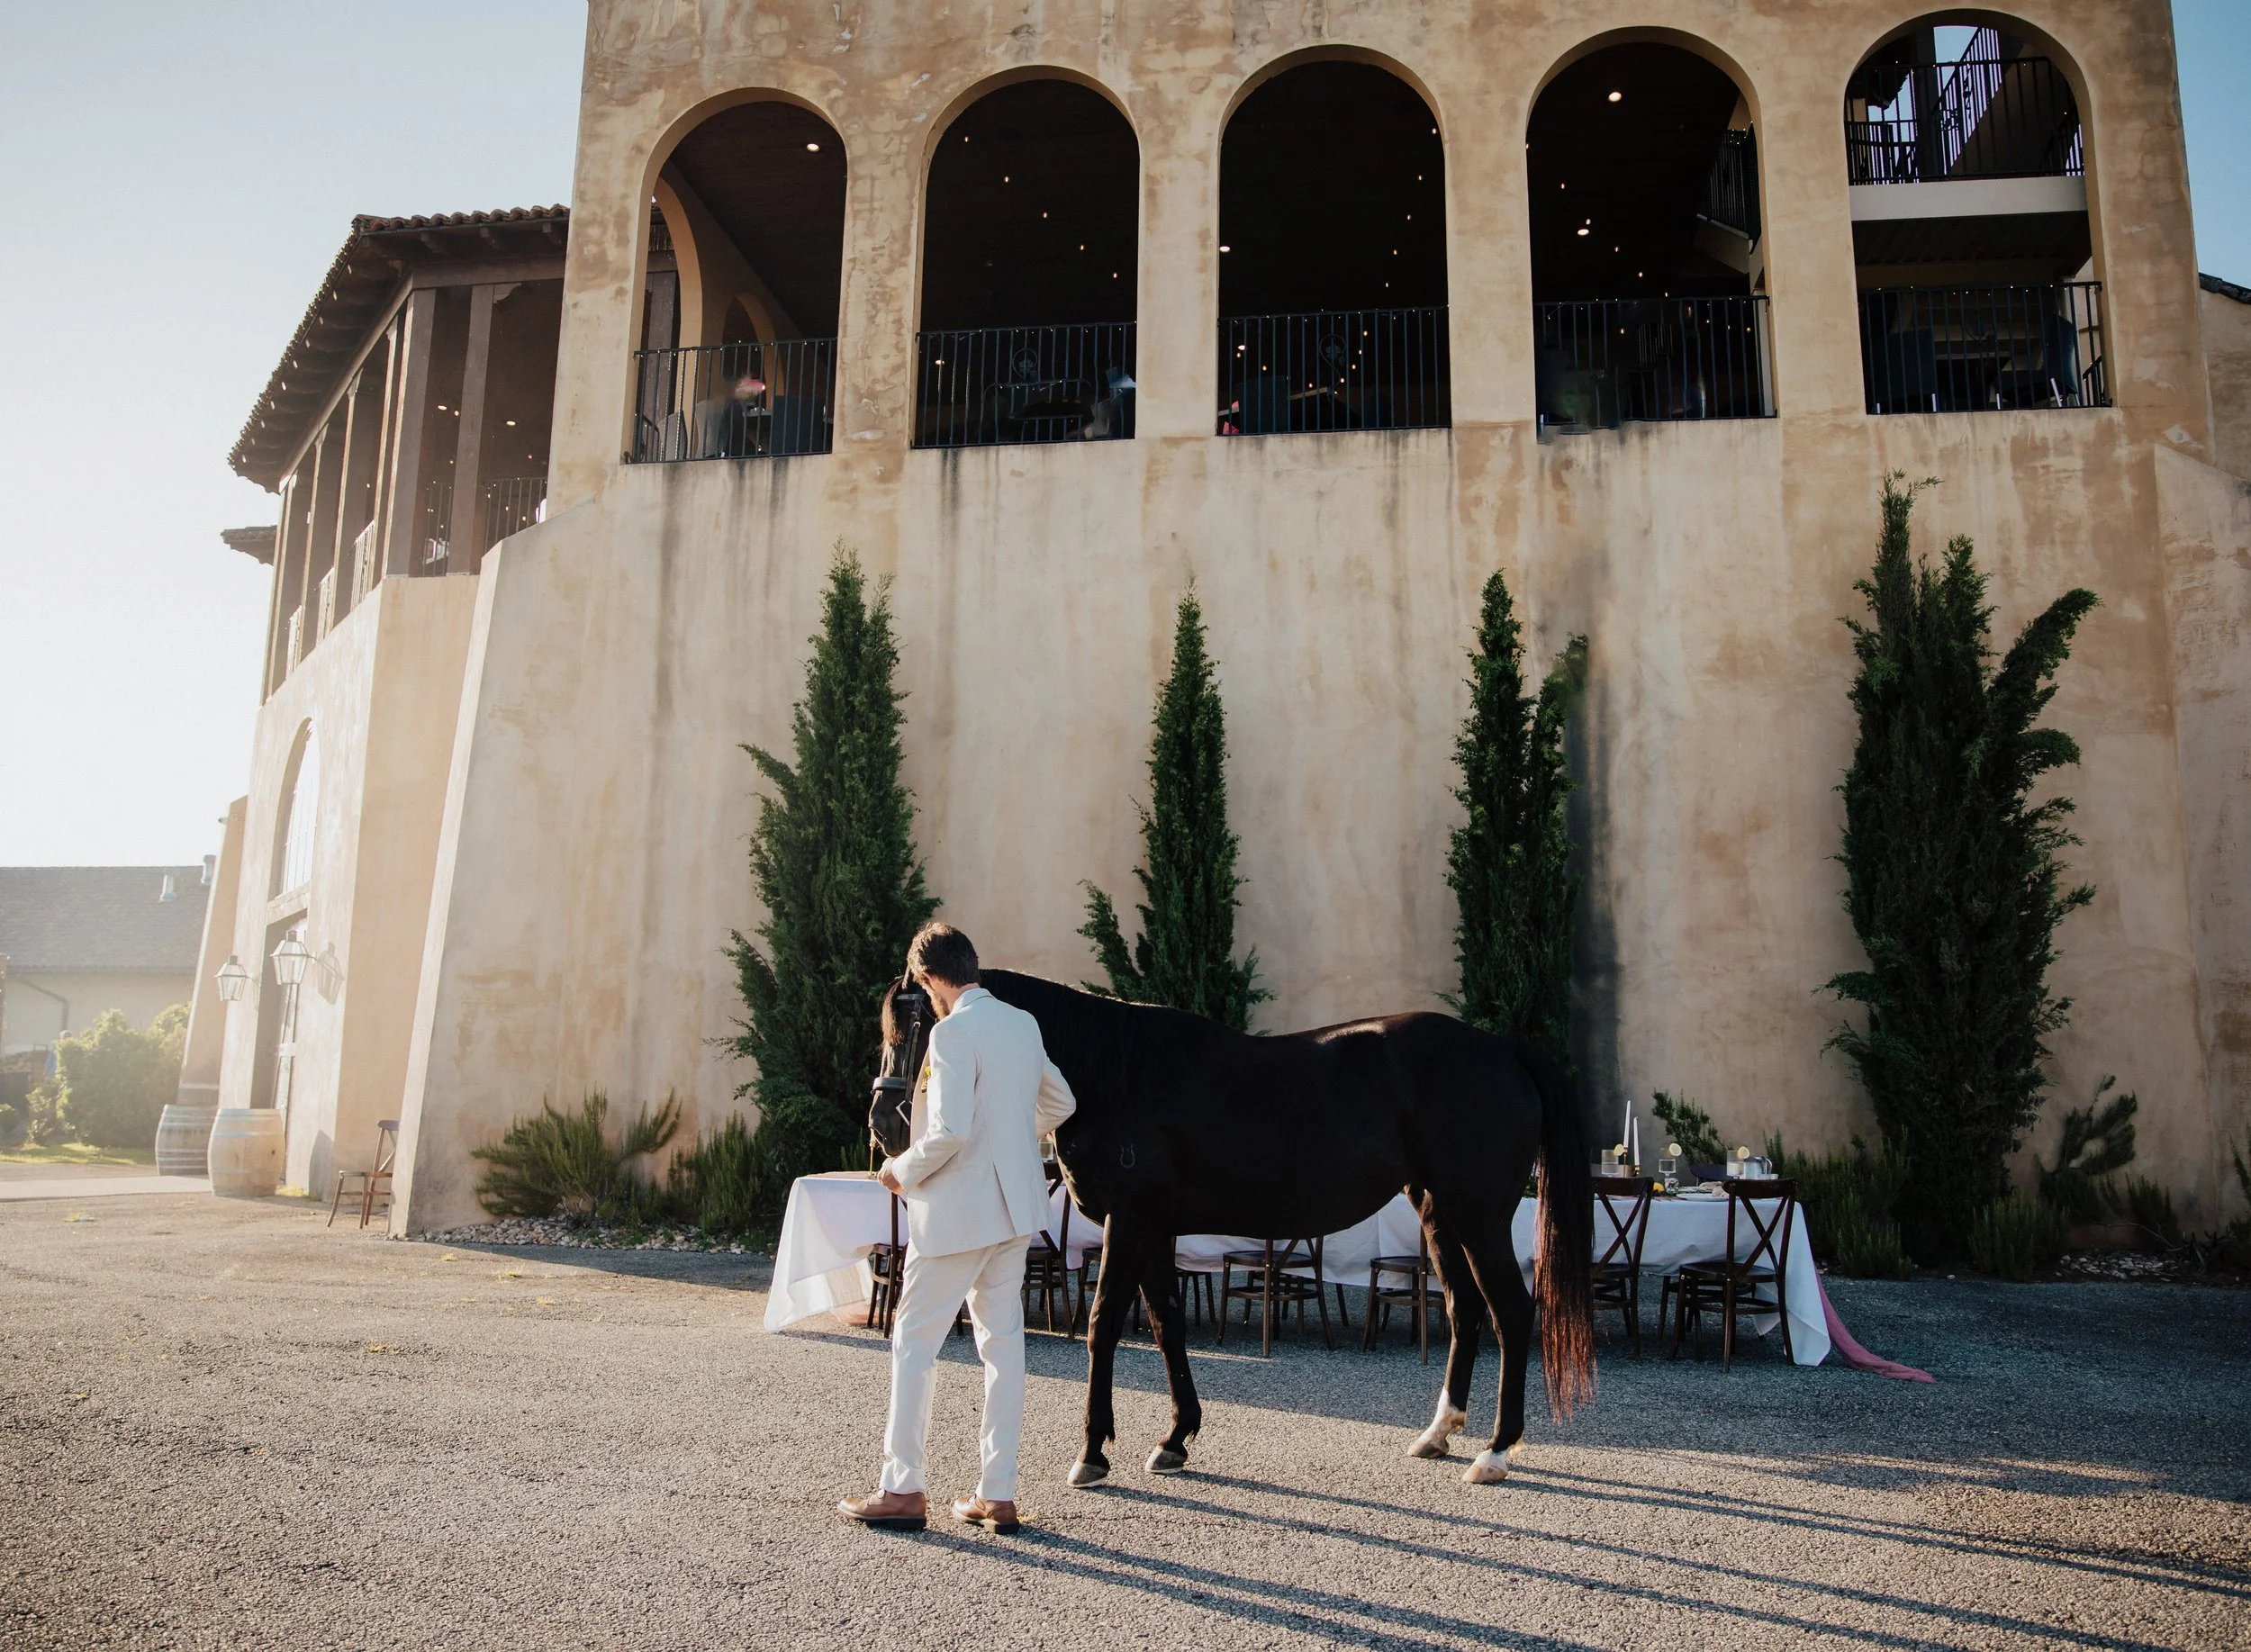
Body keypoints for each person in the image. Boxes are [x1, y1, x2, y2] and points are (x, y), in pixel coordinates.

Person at [838, 923, 1077, 1535]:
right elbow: (1062, 1102)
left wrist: (899, 1170)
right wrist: (1013, 1134)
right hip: (1015, 1210)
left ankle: (903, 1487)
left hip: (958, 1214)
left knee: (914, 1345)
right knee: (1003, 1349)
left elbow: (947, 1133)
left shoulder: (950, 1035)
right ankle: (996, 1494)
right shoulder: (1022, 1023)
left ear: (926, 977)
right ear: (971, 965)